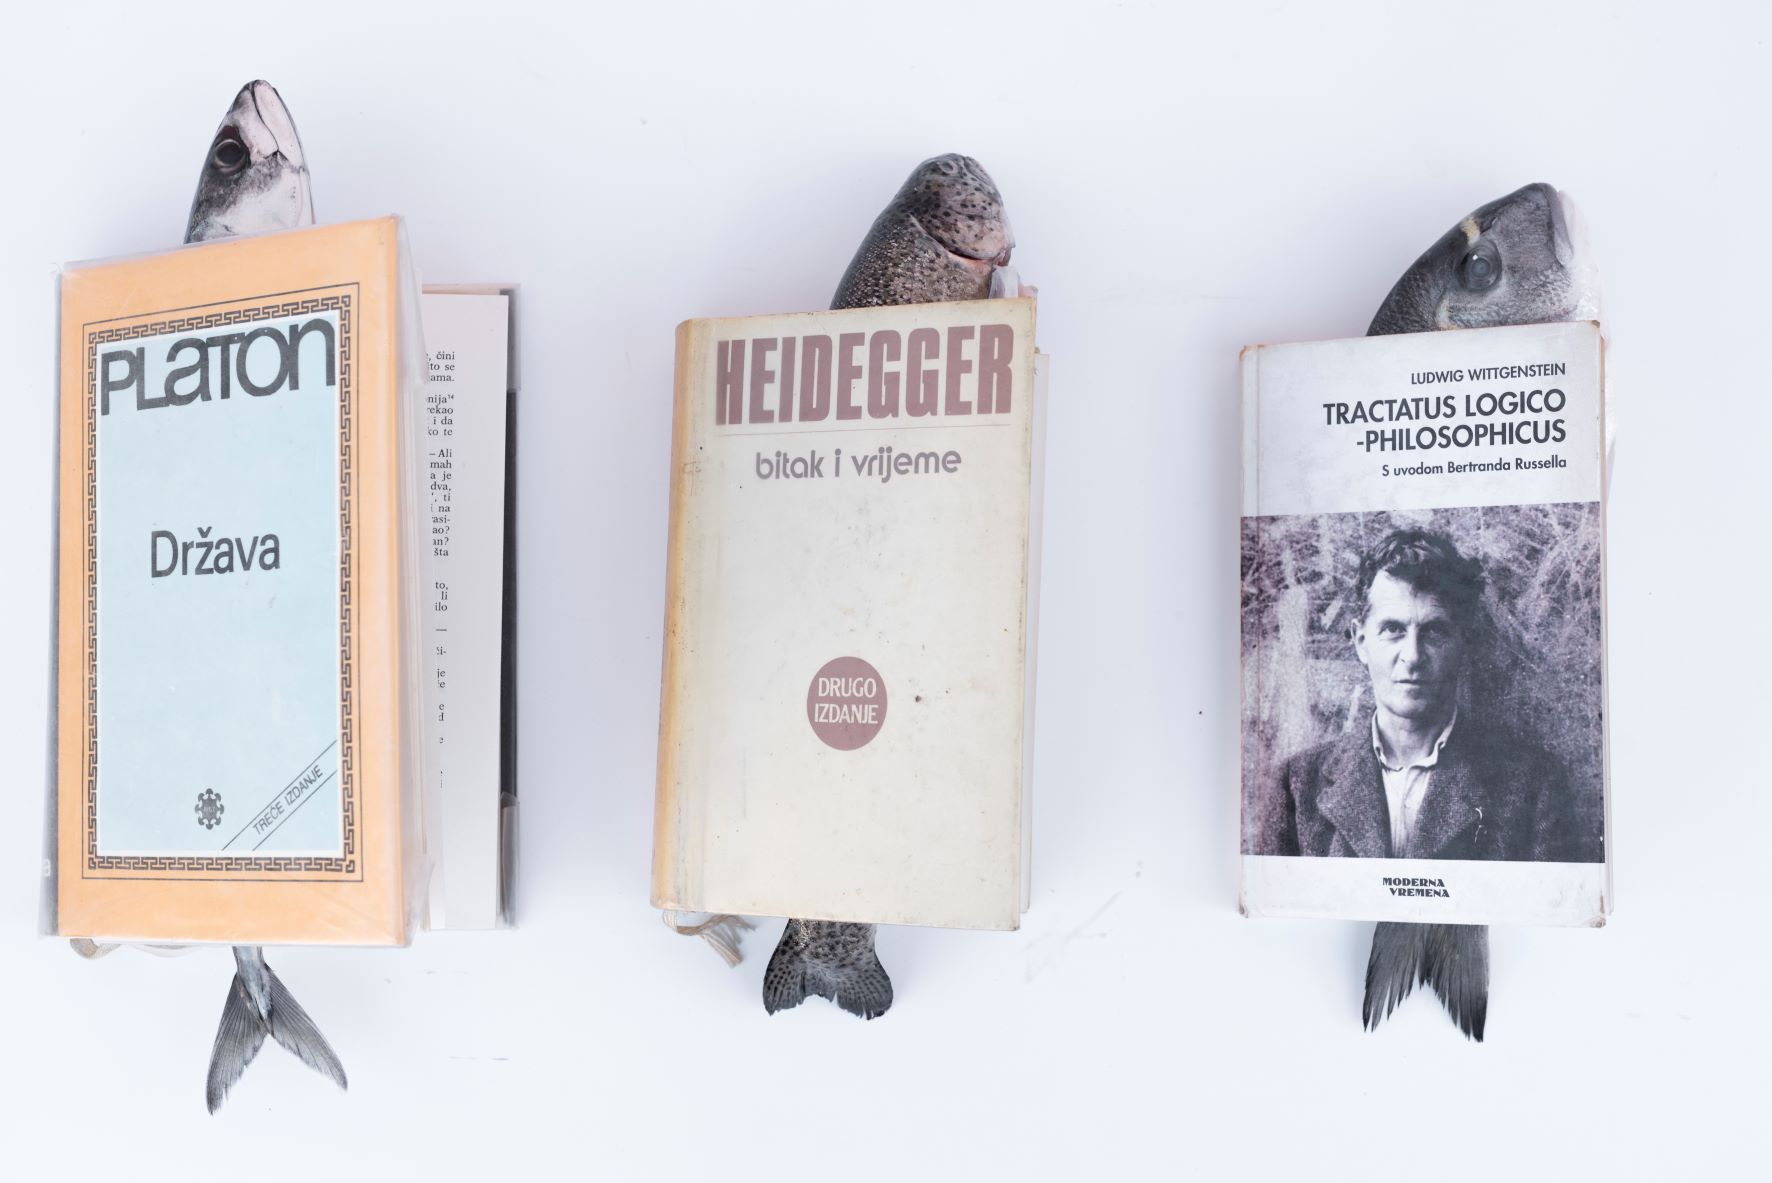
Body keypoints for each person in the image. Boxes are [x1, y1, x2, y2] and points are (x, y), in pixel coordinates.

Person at [1258, 528, 1576, 861]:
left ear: (1464, 641)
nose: (1412, 656)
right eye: (1393, 630)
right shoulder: (1297, 786)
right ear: (1361, 641)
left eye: (1434, 631)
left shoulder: (1533, 788)